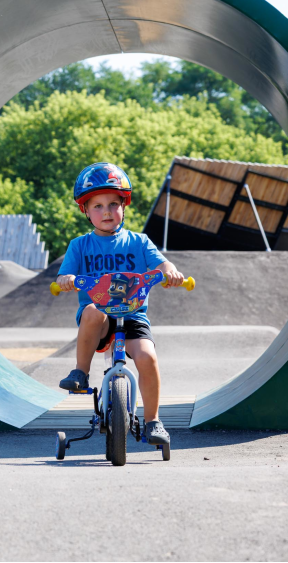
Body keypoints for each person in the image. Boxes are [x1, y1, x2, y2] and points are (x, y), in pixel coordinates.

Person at [55, 162, 185, 446]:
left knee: (148, 357)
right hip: (99, 321)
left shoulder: (139, 242)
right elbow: (65, 273)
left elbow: (162, 263)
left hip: (133, 315)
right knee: (91, 310)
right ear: (86, 211)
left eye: (113, 204)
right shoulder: (79, 246)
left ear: (124, 207)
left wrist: (171, 272)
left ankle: (153, 421)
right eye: (98, 206)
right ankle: (80, 372)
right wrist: (66, 279)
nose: (106, 212)